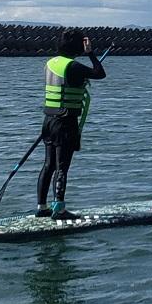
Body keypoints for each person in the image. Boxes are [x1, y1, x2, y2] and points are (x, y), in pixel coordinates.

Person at [36, 29, 106, 220]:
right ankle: (59, 209)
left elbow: (67, 83)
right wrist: (91, 53)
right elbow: (100, 73)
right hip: (65, 122)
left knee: (48, 164)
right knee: (62, 167)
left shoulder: (51, 63)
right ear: (78, 47)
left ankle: (42, 207)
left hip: (49, 121)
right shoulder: (73, 66)